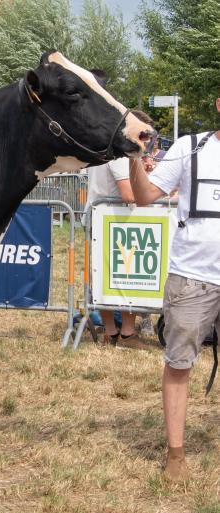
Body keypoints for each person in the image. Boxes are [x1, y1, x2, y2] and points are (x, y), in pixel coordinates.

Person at [129, 96, 220, 483]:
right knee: (179, 364)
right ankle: (176, 454)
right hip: (192, 277)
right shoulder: (190, 147)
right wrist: (134, 157)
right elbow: (145, 196)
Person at [85, 110, 155, 350]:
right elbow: (128, 194)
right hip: (115, 223)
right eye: (145, 136)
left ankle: (111, 332)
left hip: (100, 220)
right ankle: (126, 333)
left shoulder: (103, 148)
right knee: (126, 277)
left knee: (103, 278)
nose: (146, 143)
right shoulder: (121, 154)